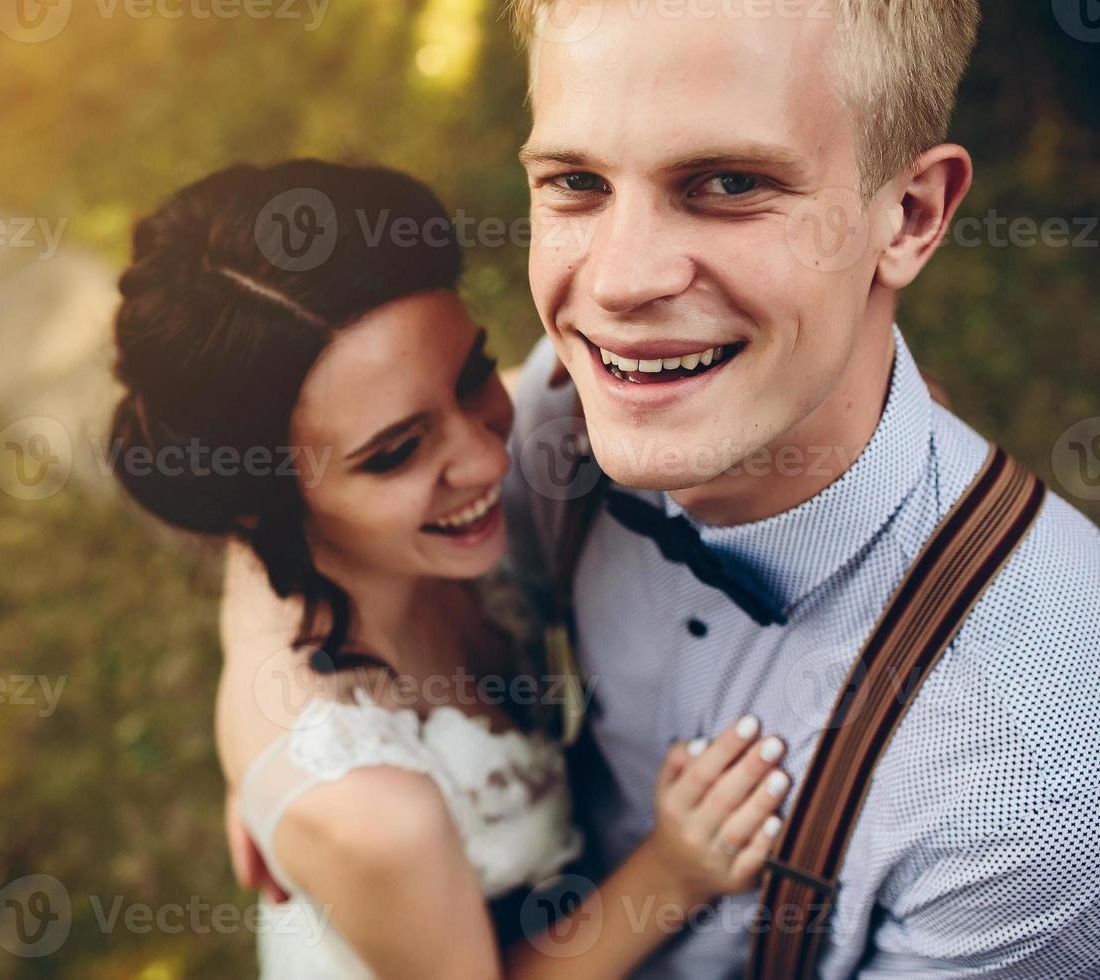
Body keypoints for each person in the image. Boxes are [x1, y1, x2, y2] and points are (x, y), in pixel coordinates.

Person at [229, 1, 1100, 975]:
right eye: (575, 181)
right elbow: (311, 513)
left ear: (909, 215)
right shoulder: (567, 421)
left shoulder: (1039, 775)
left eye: (729, 182)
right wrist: (285, 753)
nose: (619, 282)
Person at [109, 159, 796, 978]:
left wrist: (818, 402)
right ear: (263, 504)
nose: (483, 456)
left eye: (471, 375)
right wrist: (673, 872)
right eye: (397, 452)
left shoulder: (309, 542)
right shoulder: (369, 811)